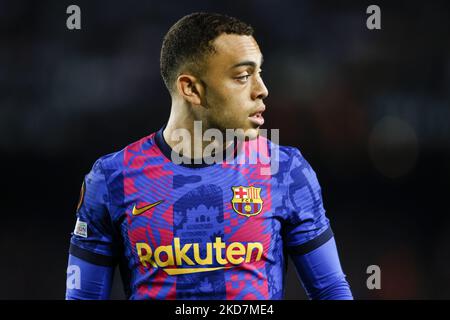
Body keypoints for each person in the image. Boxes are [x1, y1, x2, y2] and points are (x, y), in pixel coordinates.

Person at [65, 12, 353, 300]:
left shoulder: (286, 171)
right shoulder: (112, 177)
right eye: (242, 76)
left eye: (259, 73)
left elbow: (331, 290)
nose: (261, 90)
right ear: (191, 88)